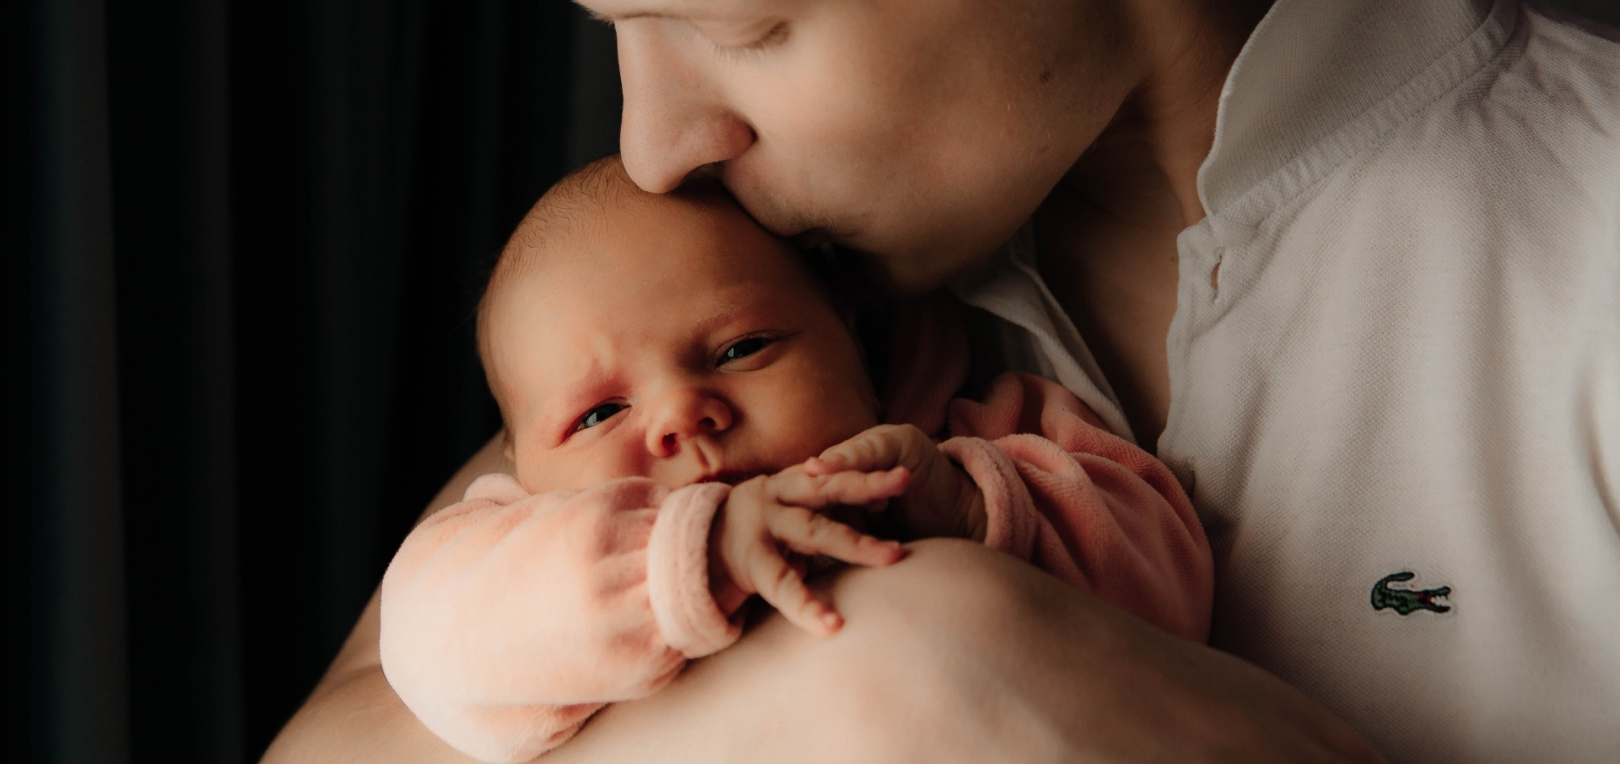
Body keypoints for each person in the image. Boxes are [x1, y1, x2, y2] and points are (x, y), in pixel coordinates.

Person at [264, 0, 1620, 762]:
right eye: (617, 25)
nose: (652, 148)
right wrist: (932, 667)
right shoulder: (727, 296)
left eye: (730, 27)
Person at [379, 157, 1211, 762]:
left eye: (741, 347)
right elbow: (431, 646)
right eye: (599, 412)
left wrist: (972, 509)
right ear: (521, 469)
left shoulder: (975, 445)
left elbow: (1171, 582)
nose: (680, 413)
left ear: (855, 345)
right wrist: (678, 558)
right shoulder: (511, 559)